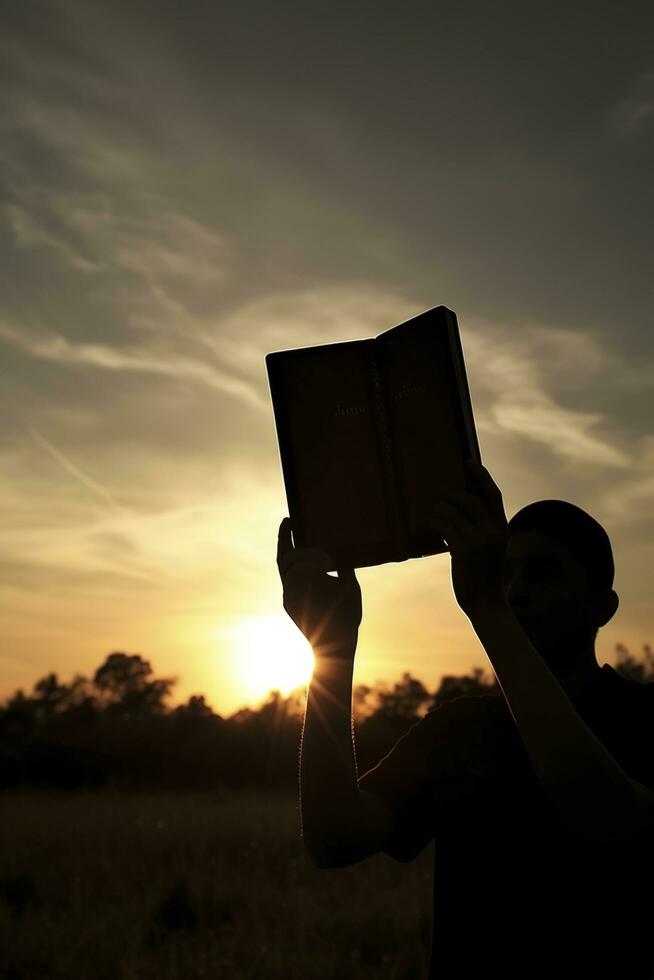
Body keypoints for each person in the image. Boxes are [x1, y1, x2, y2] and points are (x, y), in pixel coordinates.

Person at [277, 460, 654, 979]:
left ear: (602, 607)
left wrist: (488, 605)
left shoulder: (644, 718)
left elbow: (607, 820)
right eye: (506, 574)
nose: (516, 591)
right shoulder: (458, 730)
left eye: (543, 575)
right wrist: (331, 649)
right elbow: (335, 837)